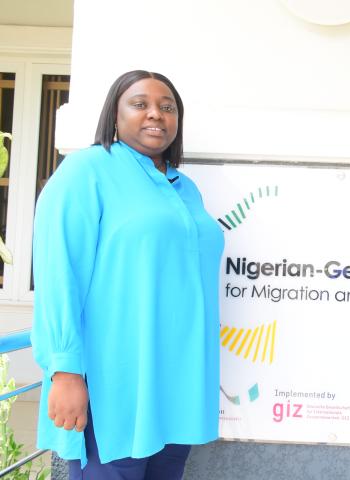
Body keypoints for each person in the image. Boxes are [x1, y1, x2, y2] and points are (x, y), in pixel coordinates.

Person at [31, 70, 224, 479]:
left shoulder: (184, 188)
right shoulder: (88, 170)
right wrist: (64, 370)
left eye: (167, 107)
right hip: (113, 389)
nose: (156, 114)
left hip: (176, 393)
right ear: (114, 117)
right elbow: (58, 272)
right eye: (140, 104)